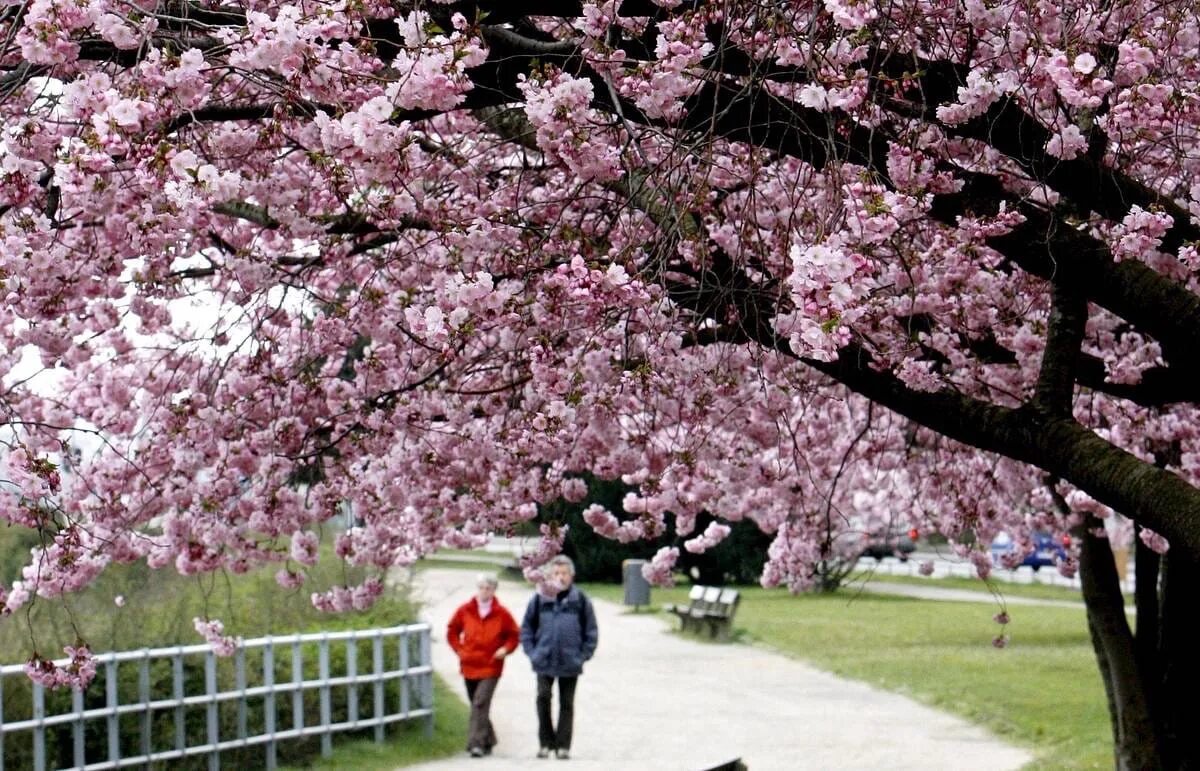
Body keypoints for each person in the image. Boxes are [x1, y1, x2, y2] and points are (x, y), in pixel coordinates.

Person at [520, 555, 599, 760]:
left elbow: (591, 631)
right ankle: (545, 743)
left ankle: (563, 746)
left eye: (564, 573)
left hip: (570, 661)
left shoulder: (580, 600)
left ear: (571, 576)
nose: (560, 577)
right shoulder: (539, 599)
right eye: (556, 573)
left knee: (567, 703)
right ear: (548, 576)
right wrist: (533, 653)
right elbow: (527, 628)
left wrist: (583, 655)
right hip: (544, 659)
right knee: (543, 698)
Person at [447, 574, 521, 758]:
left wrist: (505, 649)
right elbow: (452, 630)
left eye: (488, 588)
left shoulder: (502, 613)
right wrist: (459, 649)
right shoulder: (465, 610)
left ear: (494, 590)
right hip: (469, 663)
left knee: (480, 702)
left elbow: (514, 635)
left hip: (491, 665)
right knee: (476, 704)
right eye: (481, 587)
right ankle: (489, 739)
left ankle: (475, 744)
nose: (484, 591)